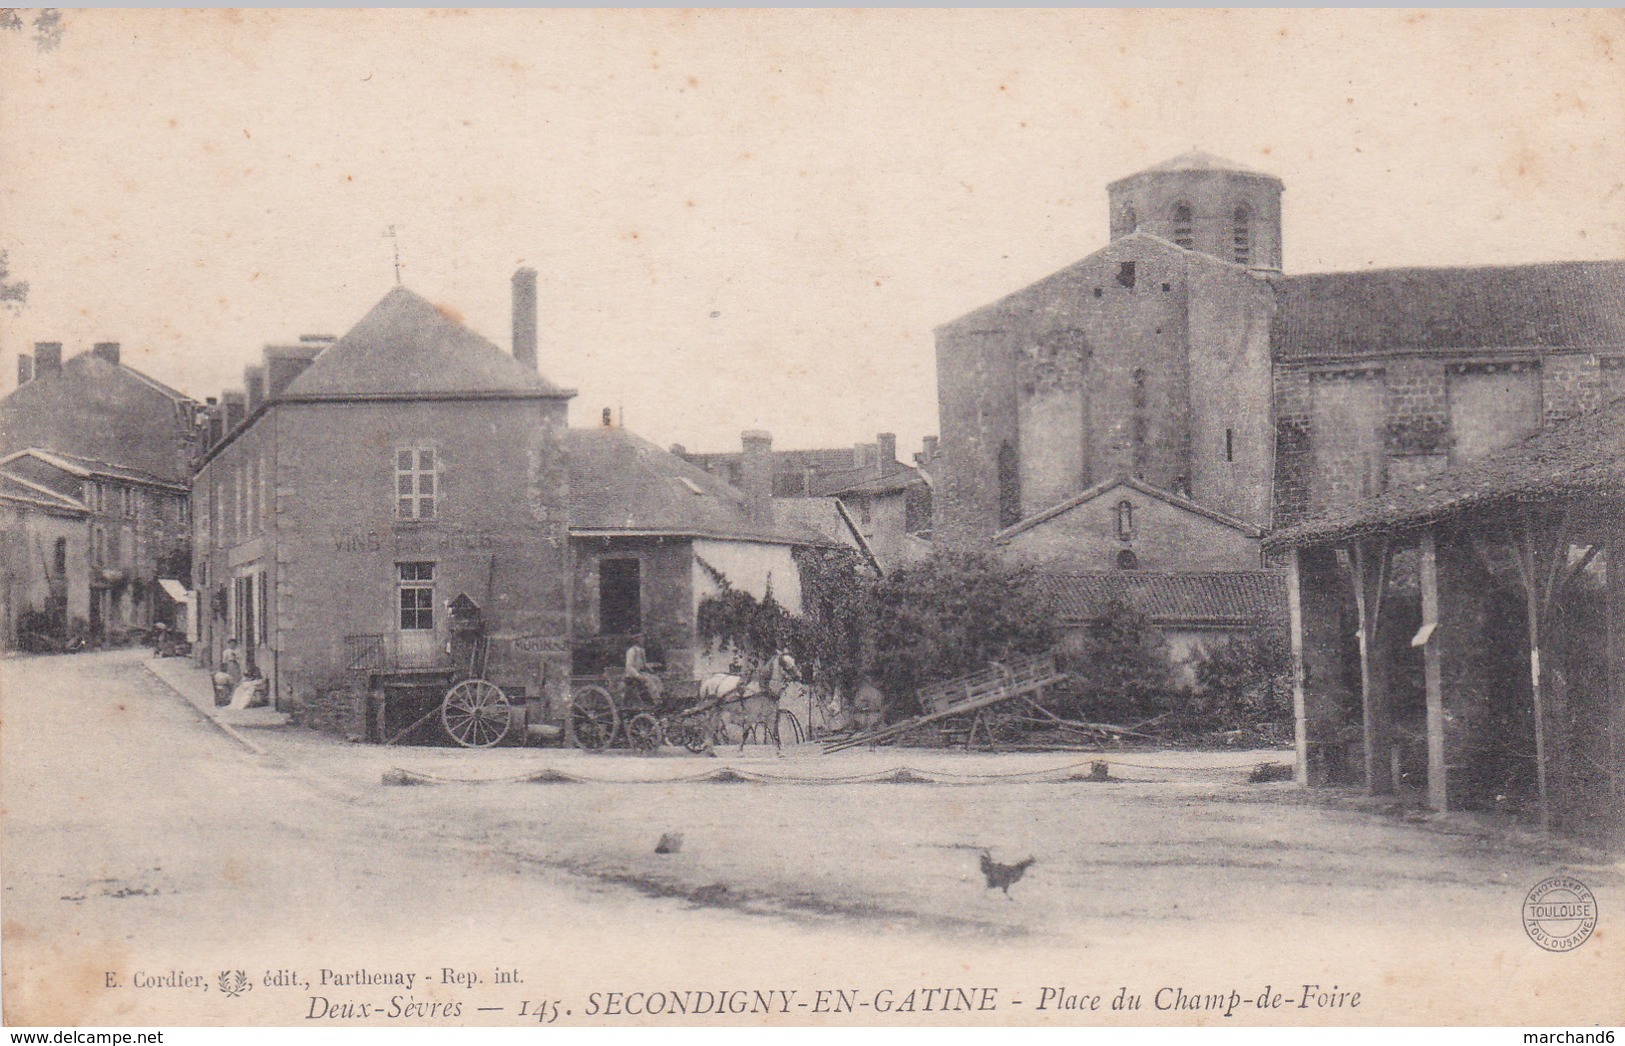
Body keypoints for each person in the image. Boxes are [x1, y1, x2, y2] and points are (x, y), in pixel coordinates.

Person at [623, 637, 663, 705]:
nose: (643, 640)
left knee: (656, 679)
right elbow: (629, 667)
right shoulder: (631, 651)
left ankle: (661, 696)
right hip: (632, 675)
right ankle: (655, 701)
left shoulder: (641, 650)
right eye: (641, 639)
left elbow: (643, 664)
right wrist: (638, 676)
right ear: (636, 640)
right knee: (649, 681)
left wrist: (650, 667)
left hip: (640, 672)